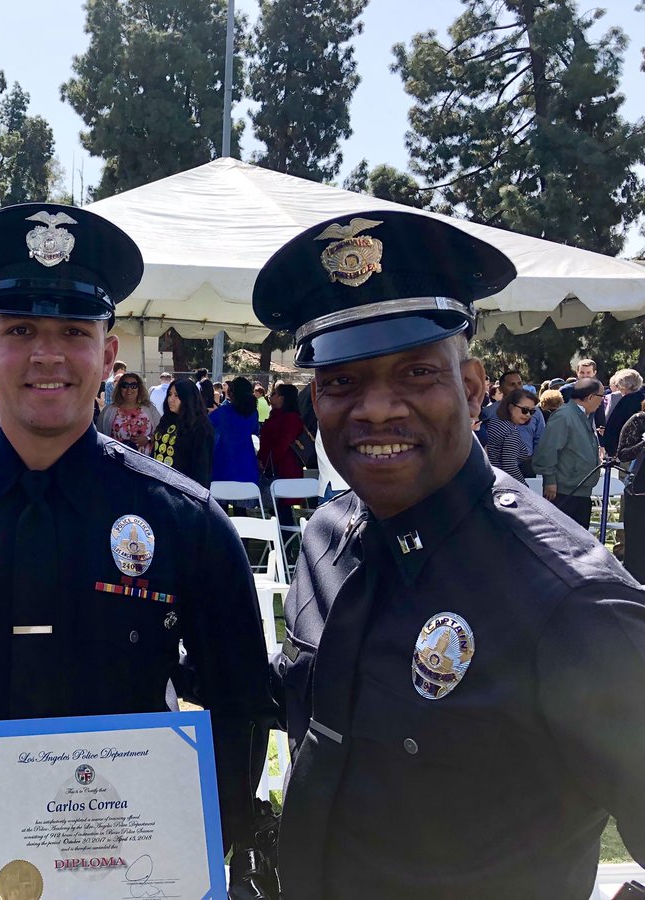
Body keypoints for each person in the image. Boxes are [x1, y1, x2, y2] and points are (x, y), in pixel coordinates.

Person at [0, 202, 275, 900]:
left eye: (73, 331)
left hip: (126, 871)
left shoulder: (183, 522)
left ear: (108, 356)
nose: (46, 353)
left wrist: (193, 843)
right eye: (19, 329)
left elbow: (240, 708)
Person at [254, 208, 644, 899]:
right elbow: (320, 695)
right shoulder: (326, 538)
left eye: (414, 373)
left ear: (470, 388)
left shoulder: (568, 600)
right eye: (342, 382)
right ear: (318, 400)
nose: (375, 408)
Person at [533, 377, 603, 527]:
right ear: (590, 397)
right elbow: (548, 449)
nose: (602, 401)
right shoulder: (564, 415)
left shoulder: (582, 415)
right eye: (601, 396)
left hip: (580, 490)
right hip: (564, 492)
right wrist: (550, 480)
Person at [152, 377, 215, 487]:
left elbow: (202, 467)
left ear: (188, 398)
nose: (171, 399)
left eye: (177, 395)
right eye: (170, 394)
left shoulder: (200, 427)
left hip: (184, 490)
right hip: (159, 485)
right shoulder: (166, 419)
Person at [257, 382, 306, 523]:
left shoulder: (291, 418)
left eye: (274, 394)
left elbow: (283, 444)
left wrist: (267, 463)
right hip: (272, 466)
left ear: (282, 398)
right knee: (275, 509)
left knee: (283, 509)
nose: (270, 396)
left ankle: (286, 542)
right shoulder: (276, 416)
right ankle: (281, 540)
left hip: (284, 469)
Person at [209, 375, 261, 488]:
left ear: (231, 393)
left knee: (221, 502)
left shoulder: (222, 412)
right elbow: (255, 430)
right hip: (246, 463)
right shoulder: (253, 413)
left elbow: (207, 427)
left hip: (223, 462)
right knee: (243, 500)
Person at [482, 387, 536, 484]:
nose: (528, 415)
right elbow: (510, 467)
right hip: (498, 483)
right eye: (525, 410)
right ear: (511, 407)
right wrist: (525, 489)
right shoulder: (510, 432)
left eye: (532, 411)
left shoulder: (495, 421)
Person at [96, 370, 159, 452]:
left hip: (145, 461)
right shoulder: (108, 411)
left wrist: (148, 439)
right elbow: (99, 437)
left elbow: (162, 434)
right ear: (119, 388)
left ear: (139, 388)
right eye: (125, 385)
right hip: (116, 462)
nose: (129, 389)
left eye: (133, 386)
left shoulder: (150, 410)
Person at [617, 410, 645, 581]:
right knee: (637, 541)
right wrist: (643, 444)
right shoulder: (639, 420)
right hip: (639, 492)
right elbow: (623, 453)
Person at [603, 368, 644, 456]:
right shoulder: (642, 398)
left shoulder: (627, 402)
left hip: (627, 450)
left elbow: (616, 424)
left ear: (624, 386)